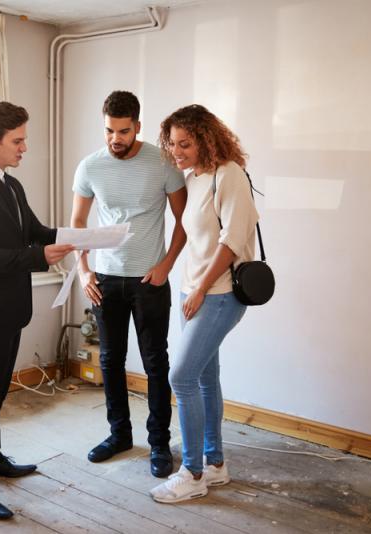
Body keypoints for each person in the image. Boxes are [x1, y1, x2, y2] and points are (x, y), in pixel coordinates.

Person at [0, 101, 74, 519]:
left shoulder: (11, 185)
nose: (25, 148)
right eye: (18, 141)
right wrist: (41, 256)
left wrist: (83, 236)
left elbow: (36, 233)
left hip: (10, 311)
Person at [71, 90, 188, 478]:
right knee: (110, 360)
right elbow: (77, 225)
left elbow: (185, 221)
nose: (115, 139)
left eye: (123, 131)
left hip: (148, 279)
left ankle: (158, 444)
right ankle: (119, 434)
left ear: (137, 126)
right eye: (109, 131)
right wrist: (84, 271)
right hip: (105, 278)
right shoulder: (90, 167)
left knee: (156, 363)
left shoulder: (164, 161)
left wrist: (166, 265)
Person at [149, 104, 258, 503]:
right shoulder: (194, 177)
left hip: (219, 295)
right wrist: (183, 283)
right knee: (205, 378)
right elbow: (192, 235)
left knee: (181, 378)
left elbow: (233, 240)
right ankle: (215, 463)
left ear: (206, 139)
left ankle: (192, 472)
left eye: (186, 144)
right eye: (173, 144)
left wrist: (199, 290)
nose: (177, 152)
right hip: (192, 292)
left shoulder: (228, 175)